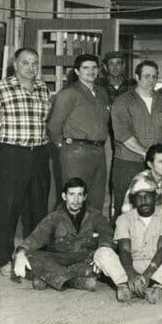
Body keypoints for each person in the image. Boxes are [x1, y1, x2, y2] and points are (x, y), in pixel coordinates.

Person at [0, 47, 52, 275]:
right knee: (8, 207)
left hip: (39, 153)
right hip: (12, 154)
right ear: (15, 64)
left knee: (38, 207)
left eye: (34, 63)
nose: (31, 68)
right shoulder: (1, 88)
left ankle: (32, 257)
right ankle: (4, 259)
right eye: (25, 63)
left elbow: (46, 118)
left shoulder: (43, 88)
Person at [11, 178, 112, 291]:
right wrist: (21, 253)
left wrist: (102, 250)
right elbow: (36, 238)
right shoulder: (54, 217)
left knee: (102, 259)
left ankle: (48, 278)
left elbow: (107, 235)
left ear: (85, 197)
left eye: (80, 194)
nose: (76, 199)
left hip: (85, 259)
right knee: (29, 257)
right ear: (64, 196)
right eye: (71, 194)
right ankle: (76, 282)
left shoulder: (96, 216)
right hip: (59, 259)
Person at [98, 177, 162, 304]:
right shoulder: (124, 219)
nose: (144, 201)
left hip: (157, 266)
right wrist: (131, 274)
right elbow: (125, 250)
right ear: (133, 200)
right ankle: (125, 285)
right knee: (102, 253)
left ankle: (155, 286)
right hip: (131, 265)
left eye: (148, 196)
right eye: (139, 197)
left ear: (155, 196)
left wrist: (147, 275)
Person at [47, 53, 111, 215]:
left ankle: (90, 237)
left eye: (94, 67)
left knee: (95, 199)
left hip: (98, 151)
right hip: (76, 153)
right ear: (77, 71)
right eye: (85, 68)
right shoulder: (68, 93)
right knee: (74, 199)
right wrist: (64, 145)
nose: (91, 71)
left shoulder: (102, 93)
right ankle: (67, 238)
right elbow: (54, 125)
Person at [110, 59, 162, 216]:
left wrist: (158, 156)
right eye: (146, 76)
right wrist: (147, 153)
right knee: (125, 207)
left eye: (154, 76)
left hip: (155, 165)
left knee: (155, 206)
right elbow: (122, 134)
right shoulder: (123, 101)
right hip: (127, 164)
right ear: (137, 77)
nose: (151, 80)